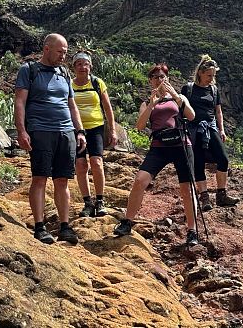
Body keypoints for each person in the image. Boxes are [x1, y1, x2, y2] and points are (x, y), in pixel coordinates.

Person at [113, 63, 199, 246]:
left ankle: (192, 230)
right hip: (159, 146)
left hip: (181, 144)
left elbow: (191, 116)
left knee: (187, 188)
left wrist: (175, 96)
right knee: (140, 180)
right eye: (156, 77)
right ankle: (127, 221)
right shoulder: (146, 102)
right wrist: (151, 105)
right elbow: (139, 126)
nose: (160, 80)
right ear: (150, 81)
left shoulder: (180, 97)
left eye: (162, 77)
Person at [14, 33, 87, 244]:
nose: (63, 56)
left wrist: (79, 131)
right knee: (40, 178)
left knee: (63, 179)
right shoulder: (29, 70)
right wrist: (21, 131)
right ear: (47, 49)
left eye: (65, 52)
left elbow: (71, 104)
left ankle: (65, 226)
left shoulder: (64, 73)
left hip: (66, 132)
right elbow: (20, 102)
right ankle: (39, 226)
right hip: (40, 130)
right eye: (60, 52)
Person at [183, 54, 240, 211]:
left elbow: (218, 111)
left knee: (223, 159)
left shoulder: (214, 90)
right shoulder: (188, 89)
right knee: (198, 162)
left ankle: (221, 195)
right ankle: (204, 197)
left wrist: (221, 129)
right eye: (209, 75)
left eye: (213, 75)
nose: (211, 78)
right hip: (193, 129)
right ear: (200, 72)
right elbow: (181, 110)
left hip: (210, 127)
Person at [70, 51, 117, 217]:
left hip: (96, 127)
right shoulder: (69, 85)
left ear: (90, 66)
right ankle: (87, 202)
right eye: (79, 64)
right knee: (81, 165)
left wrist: (112, 130)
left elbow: (108, 108)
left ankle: (100, 200)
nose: (83, 67)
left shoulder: (97, 83)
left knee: (96, 162)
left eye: (86, 64)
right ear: (74, 67)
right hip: (76, 130)